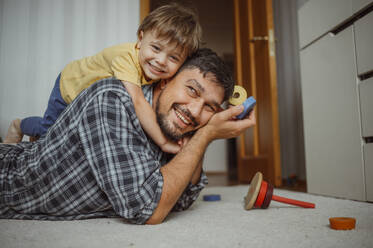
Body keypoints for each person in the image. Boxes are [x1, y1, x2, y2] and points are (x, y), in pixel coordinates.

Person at [0, 48, 256, 224]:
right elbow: (148, 209)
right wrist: (206, 135)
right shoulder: (112, 100)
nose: (194, 110)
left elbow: (181, 199)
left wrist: (202, 132)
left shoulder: (173, 128)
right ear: (165, 80)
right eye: (191, 90)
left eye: (209, 107)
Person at [4, 3, 202, 154]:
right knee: (50, 133)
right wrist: (164, 142)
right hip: (70, 87)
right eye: (156, 48)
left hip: (87, 102)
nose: (160, 61)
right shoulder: (125, 58)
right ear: (140, 39)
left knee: (67, 141)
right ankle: (19, 124)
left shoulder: (155, 70)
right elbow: (139, 102)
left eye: (173, 57)